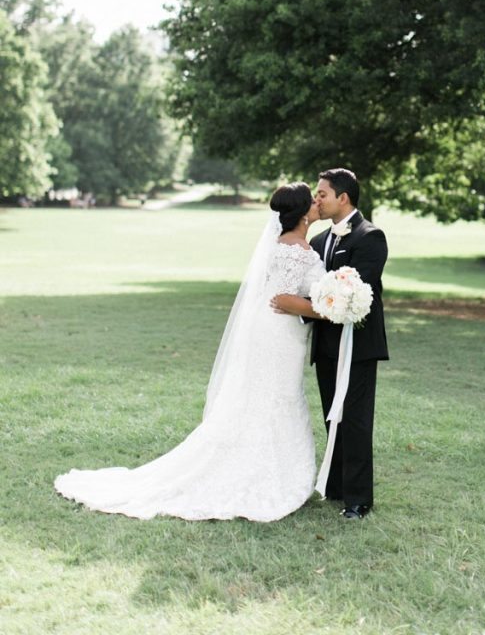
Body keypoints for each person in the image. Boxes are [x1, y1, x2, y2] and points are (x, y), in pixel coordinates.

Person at [54, 182, 325, 522]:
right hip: (277, 334)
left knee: (265, 397)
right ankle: (264, 474)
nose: (317, 204)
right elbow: (283, 299)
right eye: (312, 201)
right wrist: (330, 308)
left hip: (272, 331)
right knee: (274, 397)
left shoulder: (281, 243)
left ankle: (262, 465)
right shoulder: (297, 249)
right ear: (301, 213)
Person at [271, 168, 388, 520]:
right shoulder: (320, 241)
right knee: (331, 418)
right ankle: (336, 487)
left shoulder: (371, 237)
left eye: (322, 194)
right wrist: (298, 307)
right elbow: (314, 290)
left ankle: (358, 499)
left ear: (343, 198)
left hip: (358, 346)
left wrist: (304, 305)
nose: (317, 200)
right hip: (325, 345)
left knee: (355, 420)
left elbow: (357, 294)